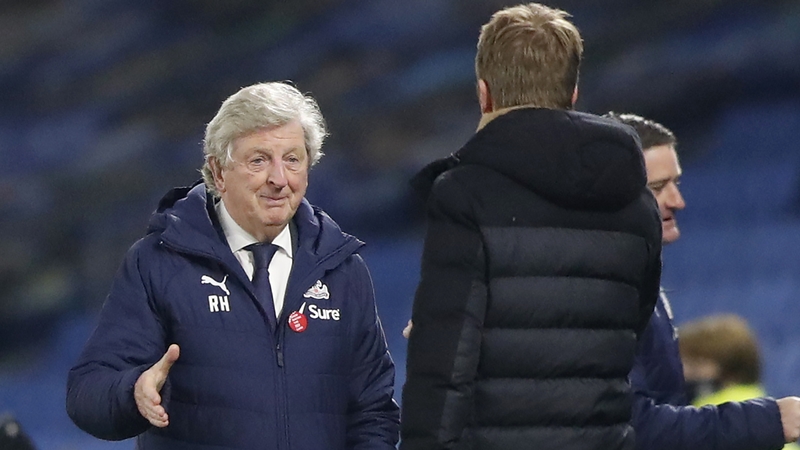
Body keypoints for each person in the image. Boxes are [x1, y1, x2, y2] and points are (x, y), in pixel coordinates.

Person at [66, 82, 400, 449]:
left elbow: (373, 410)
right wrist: (133, 392)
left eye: (292, 159)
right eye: (258, 160)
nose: (279, 179)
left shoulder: (342, 270)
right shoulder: (158, 263)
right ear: (219, 172)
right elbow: (87, 392)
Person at [400, 4, 663, 450]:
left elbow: (444, 364)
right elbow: (631, 331)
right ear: (573, 92)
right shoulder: (637, 204)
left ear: (484, 94)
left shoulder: (464, 194)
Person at [606, 111, 800, 450]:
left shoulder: (640, 284)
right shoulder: (603, 291)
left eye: (676, 183)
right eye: (657, 188)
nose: (677, 201)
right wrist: (768, 420)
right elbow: (630, 427)